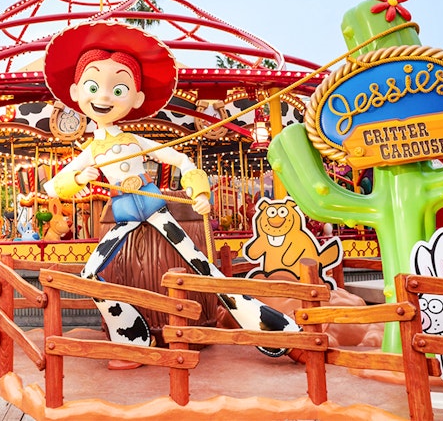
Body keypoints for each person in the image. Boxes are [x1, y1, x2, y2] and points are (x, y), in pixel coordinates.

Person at [43, 21, 299, 367]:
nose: (104, 97)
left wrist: (199, 190)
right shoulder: (91, 149)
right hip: (124, 215)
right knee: (90, 274)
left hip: (154, 206)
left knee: (206, 268)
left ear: (136, 98)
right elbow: (53, 185)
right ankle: (132, 335)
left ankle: (273, 330)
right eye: (93, 86)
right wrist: (79, 177)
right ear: (76, 92)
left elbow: (180, 158)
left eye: (117, 90)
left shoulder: (135, 142)